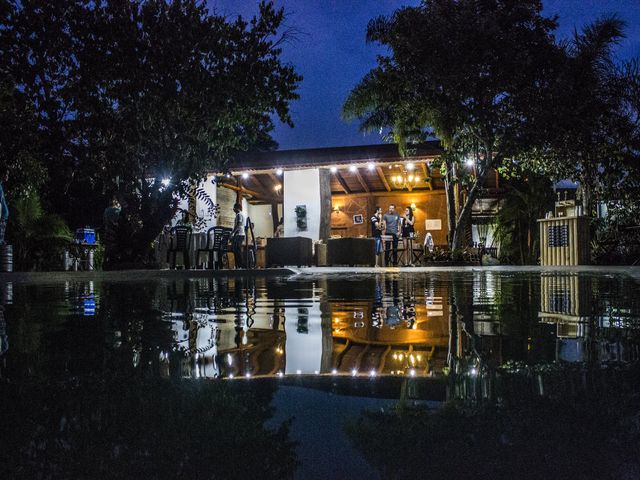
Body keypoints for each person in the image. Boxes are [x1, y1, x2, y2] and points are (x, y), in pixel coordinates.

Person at [231, 203, 245, 268]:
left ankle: (240, 265)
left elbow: (238, 224)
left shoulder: (239, 215)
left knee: (237, 250)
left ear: (237, 208)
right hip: (241, 234)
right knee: (237, 250)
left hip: (239, 234)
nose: (233, 209)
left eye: (234, 208)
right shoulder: (241, 214)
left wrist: (232, 233)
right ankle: (239, 265)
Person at [0, 170, 9, 245]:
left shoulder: (1, 185)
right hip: (1, 216)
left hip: (3, 217)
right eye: (6, 174)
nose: (7, 176)